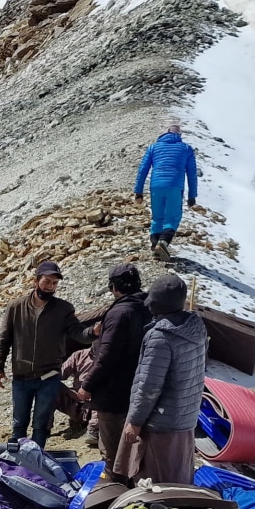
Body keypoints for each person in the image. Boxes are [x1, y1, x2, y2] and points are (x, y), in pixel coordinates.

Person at [120, 272, 208, 486]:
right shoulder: (196, 328)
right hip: (185, 418)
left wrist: (135, 421)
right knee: (179, 478)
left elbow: (149, 386)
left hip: (161, 423)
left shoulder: (160, 337)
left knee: (154, 484)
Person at [0, 260, 90, 447]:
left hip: (49, 376)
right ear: (36, 281)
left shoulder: (63, 309)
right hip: (21, 377)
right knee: (19, 423)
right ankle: (15, 463)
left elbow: (78, 333)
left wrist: (92, 333)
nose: (50, 287)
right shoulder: (16, 307)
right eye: (47, 282)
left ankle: (36, 460)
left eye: (54, 283)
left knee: (41, 423)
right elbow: (4, 339)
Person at [78, 263, 152, 478]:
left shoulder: (119, 312)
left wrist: (88, 385)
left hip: (114, 392)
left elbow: (107, 356)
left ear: (114, 287)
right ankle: (132, 481)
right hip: (140, 389)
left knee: (112, 446)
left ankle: (115, 488)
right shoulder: (149, 308)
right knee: (134, 444)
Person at [134, 122, 199, 260]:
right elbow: (192, 174)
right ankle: (163, 242)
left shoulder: (154, 147)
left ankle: (155, 247)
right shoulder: (186, 149)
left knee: (157, 217)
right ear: (179, 135)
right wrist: (192, 196)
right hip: (175, 186)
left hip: (156, 186)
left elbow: (142, 170)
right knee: (173, 217)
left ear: (164, 134)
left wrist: (138, 192)